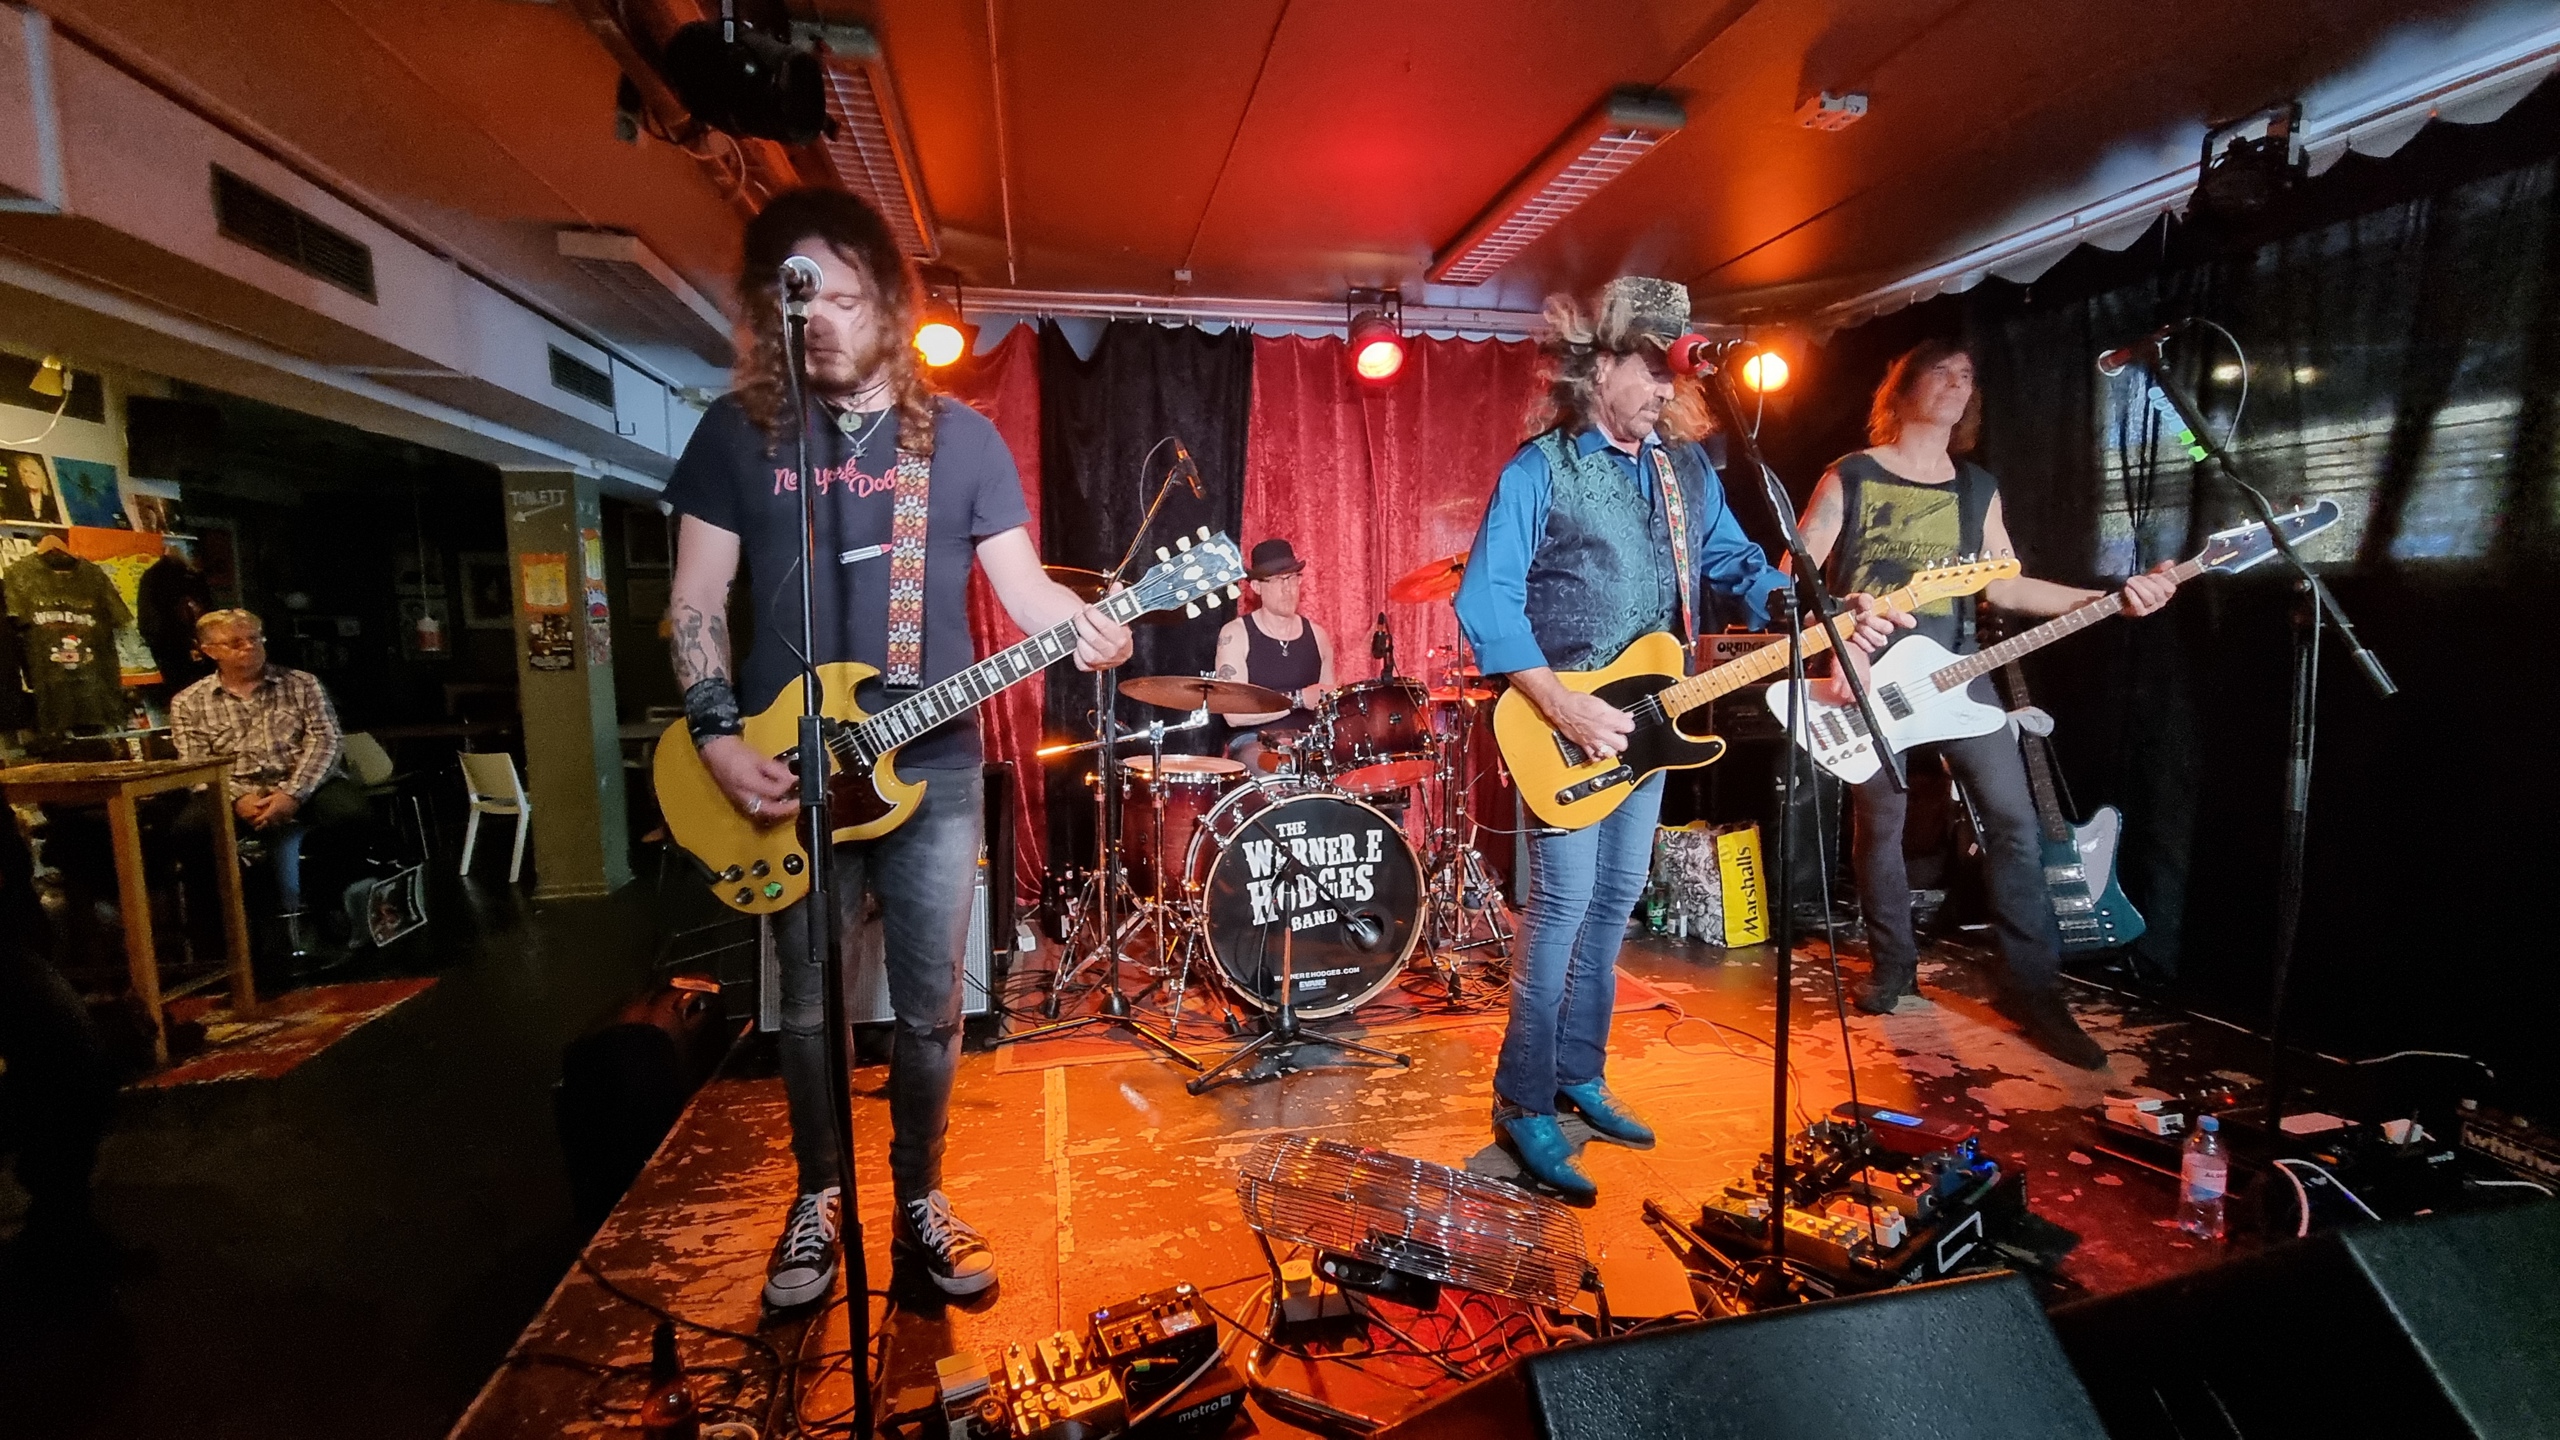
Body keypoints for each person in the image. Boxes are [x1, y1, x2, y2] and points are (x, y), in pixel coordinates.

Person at [664, 188, 1131, 1307]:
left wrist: (1087, 631)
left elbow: (1020, 592)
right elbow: (693, 601)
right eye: (791, 294)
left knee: (929, 1008)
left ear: (882, 295)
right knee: (808, 1001)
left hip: (930, 764)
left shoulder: (959, 441)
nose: (812, 313)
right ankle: (818, 1198)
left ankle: (919, 1193)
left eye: (831, 289)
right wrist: (718, 736)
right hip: (782, 769)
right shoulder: (737, 433)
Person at [1453, 277, 1902, 1203]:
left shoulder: (1684, 471)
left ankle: (1579, 1074)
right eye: (1647, 370)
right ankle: (1522, 1098)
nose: (1663, 388)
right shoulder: (1541, 468)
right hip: (1567, 726)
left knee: (1615, 909)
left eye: (1672, 372)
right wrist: (1561, 705)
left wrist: (1817, 610)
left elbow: (1737, 566)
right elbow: (1485, 600)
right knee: (1561, 920)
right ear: (1597, 368)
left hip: (1653, 727)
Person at [1794, 340, 2178, 1069]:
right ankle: (1894, 969)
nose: (1959, 383)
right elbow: (1797, 571)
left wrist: (2108, 601)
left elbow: (2005, 583)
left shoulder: (1977, 487)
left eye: (1969, 375)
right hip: (1870, 672)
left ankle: (2035, 992)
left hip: (1959, 671)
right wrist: (1838, 643)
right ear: (1902, 387)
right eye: (1942, 371)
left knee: (2015, 822)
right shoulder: (1852, 475)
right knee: (1882, 823)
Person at [168, 609, 371, 966]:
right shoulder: (188, 702)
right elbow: (194, 762)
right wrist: (238, 799)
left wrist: (293, 794)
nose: (250, 647)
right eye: (236, 642)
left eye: (255, 638)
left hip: (300, 780)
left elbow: (326, 741)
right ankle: (232, 932)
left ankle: (327, 901)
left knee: (353, 815)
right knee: (190, 831)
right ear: (210, 650)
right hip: (231, 787)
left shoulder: (302, 684)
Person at [1215, 538, 1335, 770]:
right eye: (1279, 580)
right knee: (1278, 768)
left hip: (1307, 742)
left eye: (1293, 578)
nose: (1288, 589)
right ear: (1257, 587)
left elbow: (1329, 706)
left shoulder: (1318, 636)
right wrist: (1298, 699)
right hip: (1254, 741)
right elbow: (1232, 713)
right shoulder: (1236, 634)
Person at [2, 450, 62, 525]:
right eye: (25, 472)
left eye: (33, 473)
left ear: (42, 477)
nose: (28, 476)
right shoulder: (16, 501)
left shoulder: (52, 503)